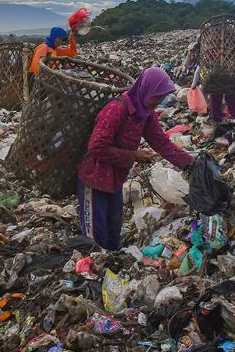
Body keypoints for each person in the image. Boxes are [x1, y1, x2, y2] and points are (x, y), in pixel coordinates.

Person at [76, 67, 192, 250]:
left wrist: (190, 165)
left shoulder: (145, 112)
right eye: (157, 96)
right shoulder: (117, 109)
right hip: (94, 177)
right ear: (146, 89)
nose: (159, 101)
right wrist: (133, 155)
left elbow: (161, 142)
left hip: (114, 179)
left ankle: (111, 268)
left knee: (113, 232)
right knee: (95, 237)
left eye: (161, 97)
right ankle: (89, 273)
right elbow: (96, 146)